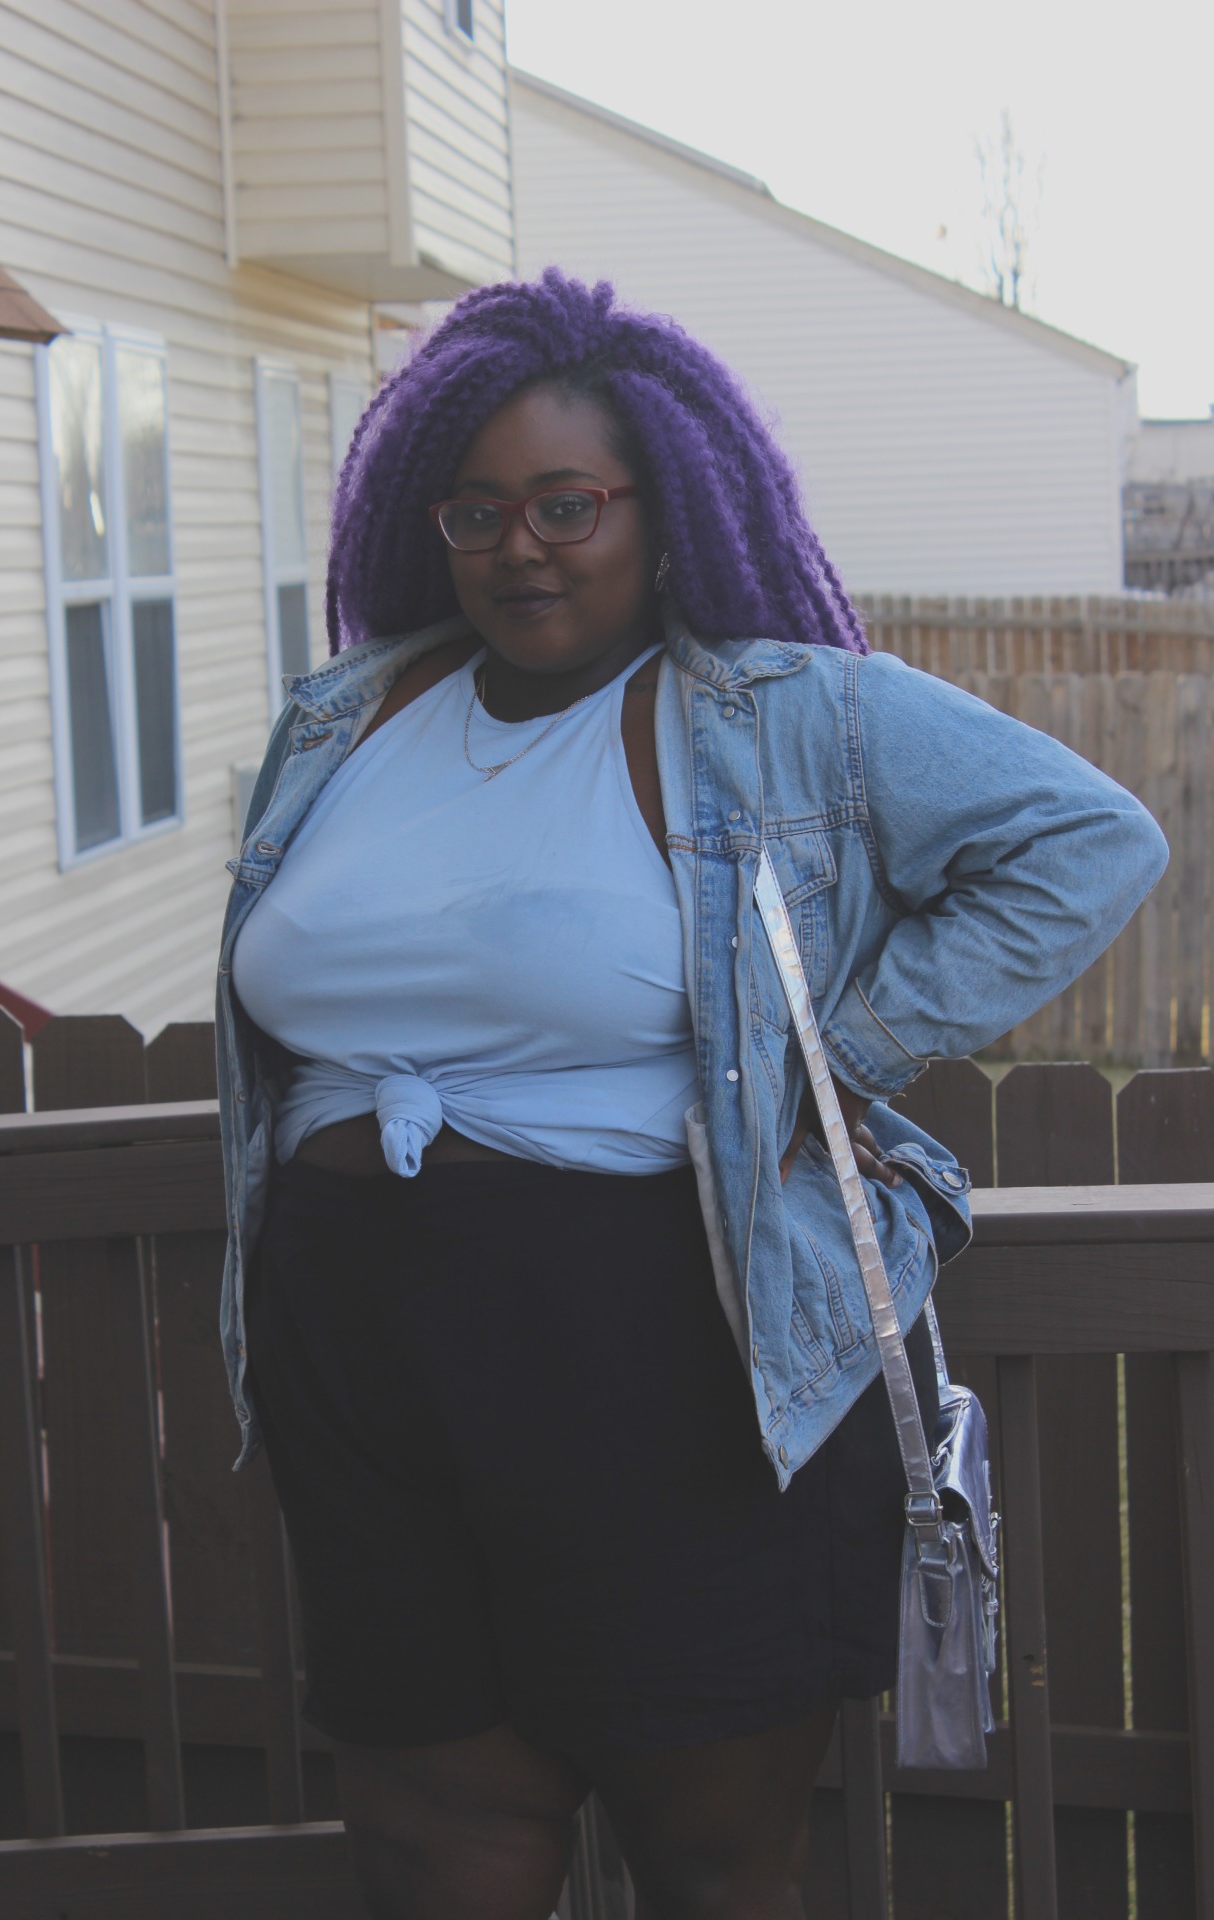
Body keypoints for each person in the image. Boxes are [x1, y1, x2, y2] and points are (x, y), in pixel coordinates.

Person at [215, 268, 1167, 1920]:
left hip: (663, 1344)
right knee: (434, 1835)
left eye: (567, 504)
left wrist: (838, 1055)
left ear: (666, 507)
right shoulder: (349, 718)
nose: (521, 546)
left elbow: (1090, 841)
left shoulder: (778, 714)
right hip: (359, 1343)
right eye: (476, 511)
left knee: (708, 1851)